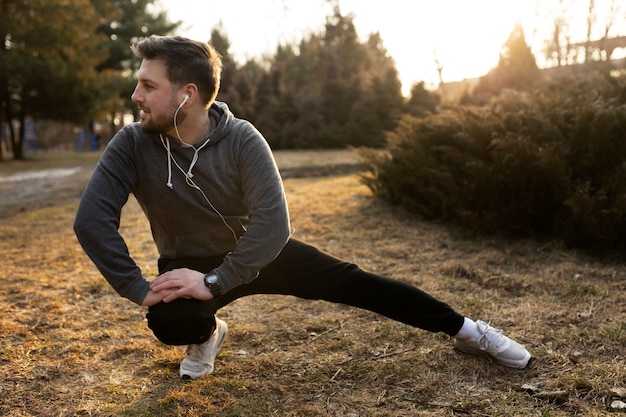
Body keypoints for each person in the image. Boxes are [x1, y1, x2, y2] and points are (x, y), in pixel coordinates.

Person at [74, 35, 531, 380]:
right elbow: (92, 220)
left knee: (357, 283)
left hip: (260, 251)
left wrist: (218, 279)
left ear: (186, 94)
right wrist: (137, 287)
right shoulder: (133, 143)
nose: (136, 96)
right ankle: (206, 335)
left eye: (147, 85)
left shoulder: (242, 139)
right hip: (187, 261)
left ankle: (471, 332)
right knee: (170, 320)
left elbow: (273, 224)